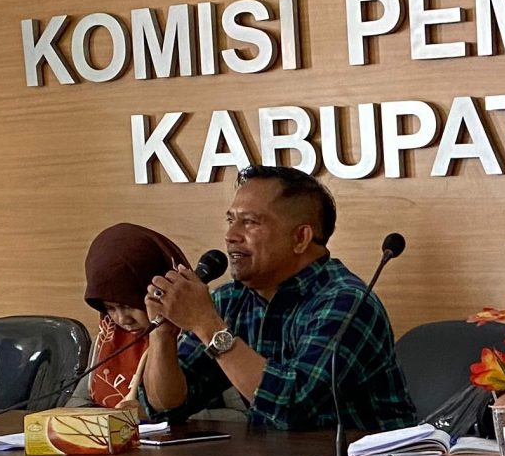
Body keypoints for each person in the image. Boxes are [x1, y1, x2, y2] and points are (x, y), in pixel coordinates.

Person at [139, 165, 414, 433]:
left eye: (250, 222)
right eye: (231, 220)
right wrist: (163, 333)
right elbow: (166, 408)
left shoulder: (347, 302)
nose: (231, 236)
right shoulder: (229, 300)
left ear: (300, 238)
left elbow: (292, 407)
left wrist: (207, 325)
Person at [77, 223, 189, 407]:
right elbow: (78, 401)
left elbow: (235, 415)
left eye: (128, 306)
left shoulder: (195, 335)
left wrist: (146, 415)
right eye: (110, 308)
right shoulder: (111, 336)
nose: (122, 319)